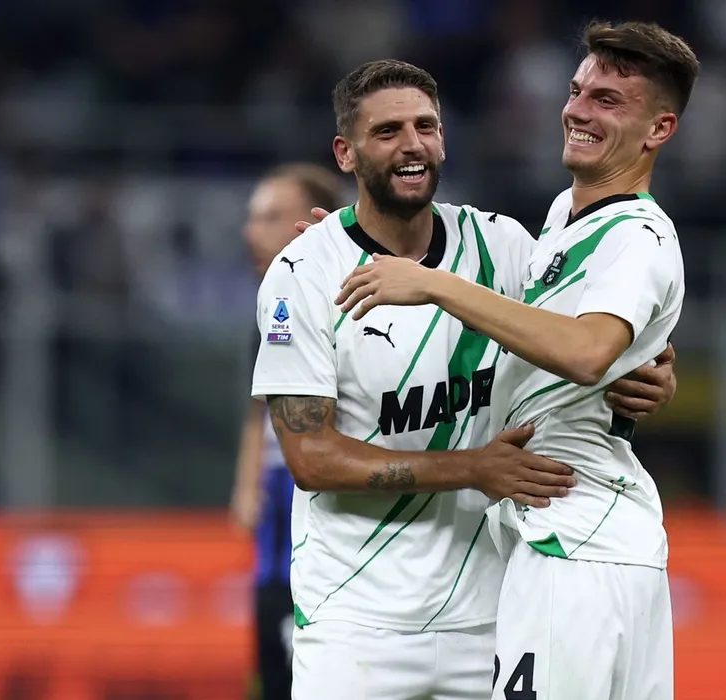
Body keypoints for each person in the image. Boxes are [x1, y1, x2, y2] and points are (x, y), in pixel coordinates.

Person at [253, 59, 677, 700]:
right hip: (355, 621)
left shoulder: (504, 247)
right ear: (345, 153)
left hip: (490, 615)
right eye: (387, 131)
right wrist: (475, 468)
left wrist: (656, 366)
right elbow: (311, 458)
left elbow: (595, 328)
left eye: (425, 127)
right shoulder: (305, 273)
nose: (412, 145)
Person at [232, 163, 348, 700]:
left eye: (272, 217)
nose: (252, 231)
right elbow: (259, 406)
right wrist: (246, 483)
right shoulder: (271, 306)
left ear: (314, 221)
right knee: (272, 652)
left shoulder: (353, 299)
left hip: (331, 499)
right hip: (280, 507)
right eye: (253, 217)